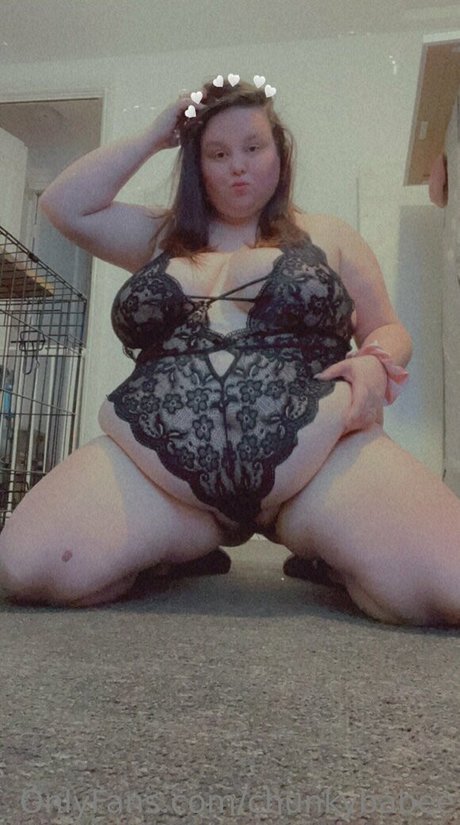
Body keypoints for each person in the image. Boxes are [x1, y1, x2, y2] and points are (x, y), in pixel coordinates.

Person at [0, 74, 459, 627]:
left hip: (318, 466)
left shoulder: (329, 234)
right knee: (27, 567)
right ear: (198, 165)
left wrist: (375, 360)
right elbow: (62, 205)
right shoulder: (160, 237)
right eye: (217, 153)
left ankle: (322, 548)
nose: (237, 165)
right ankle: (186, 546)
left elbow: (387, 327)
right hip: (160, 480)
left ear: (279, 152)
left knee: (449, 583)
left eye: (253, 147)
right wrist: (154, 136)